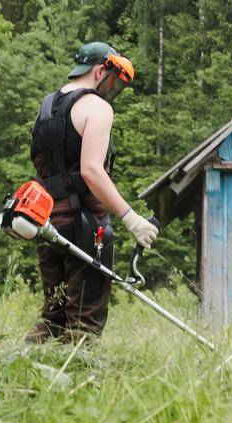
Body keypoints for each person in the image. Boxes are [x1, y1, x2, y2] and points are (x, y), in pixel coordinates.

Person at [26, 41, 159, 343]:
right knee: (84, 322)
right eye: (113, 82)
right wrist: (131, 218)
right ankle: (77, 383)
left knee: (53, 316)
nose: (112, 90)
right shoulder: (98, 108)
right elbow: (91, 171)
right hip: (86, 227)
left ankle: (26, 375)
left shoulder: (46, 107)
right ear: (100, 70)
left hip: (46, 223)